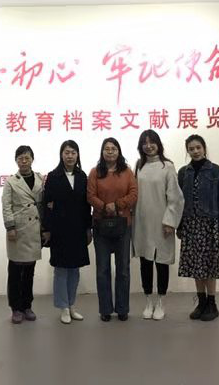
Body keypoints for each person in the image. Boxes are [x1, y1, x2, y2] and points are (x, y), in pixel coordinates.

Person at [177, 134, 219, 321]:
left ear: (204, 148)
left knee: (210, 265)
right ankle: (201, 302)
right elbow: (179, 201)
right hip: (190, 225)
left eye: (198, 147)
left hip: (209, 225)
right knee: (195, 266)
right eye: (191, 149)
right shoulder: (183, 172)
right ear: (187, 151)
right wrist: (179, 226)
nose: (195, 151)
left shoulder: (215, 170)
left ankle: (212, 304)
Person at [132, 129, 184, 321]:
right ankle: (148, 301)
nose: (148, 146)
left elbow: (175, 197)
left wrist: (170, 221)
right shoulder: (139, 165)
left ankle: (161, 301)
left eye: (151, 142)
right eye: (144, 143)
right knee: (145, 262)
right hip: (142, 223)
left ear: (158, 144)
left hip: (162, 224)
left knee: (161, 262)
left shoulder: (167, 166)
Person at [41, 140, 93, 324]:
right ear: (61, 155)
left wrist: (88, 228)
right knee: (61, 269)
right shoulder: (53, 176)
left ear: (77, 155)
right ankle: (62, 306)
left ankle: (71, 304)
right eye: (66, 152)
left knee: (74, 270)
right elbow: (47, 205)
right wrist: (47, 229)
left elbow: (87, 206)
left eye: (73, 152)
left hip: (78, 229)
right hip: (59, 229)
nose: (70, 156)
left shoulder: (82, 176)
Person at [87, 137, 138, 322]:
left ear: (119, 151)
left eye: (114, 148)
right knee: (103, 269)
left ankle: (122, 308)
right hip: (101, 226)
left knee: (123, 269)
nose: (110, 151)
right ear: (102, 152)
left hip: (123, 225)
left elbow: (134, 193)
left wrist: (116, 205)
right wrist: (104, 206)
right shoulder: (95, 172)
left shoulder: (127, 172)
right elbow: (90, 195)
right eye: (107, 148)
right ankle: (105, 309)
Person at [2, 145, 45, 324]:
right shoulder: (11, 181)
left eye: (27, 157)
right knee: (15, 271)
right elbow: (6, 206)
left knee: (29, 271)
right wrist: (10, 227)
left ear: (32, 159)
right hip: (18, 230)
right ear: (16, 161)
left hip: (34, 229)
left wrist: (45, 228)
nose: (24, 161)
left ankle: (27, 306)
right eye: (20, 158)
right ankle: (15, 308)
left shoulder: (40, 178)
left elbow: (43, 205)